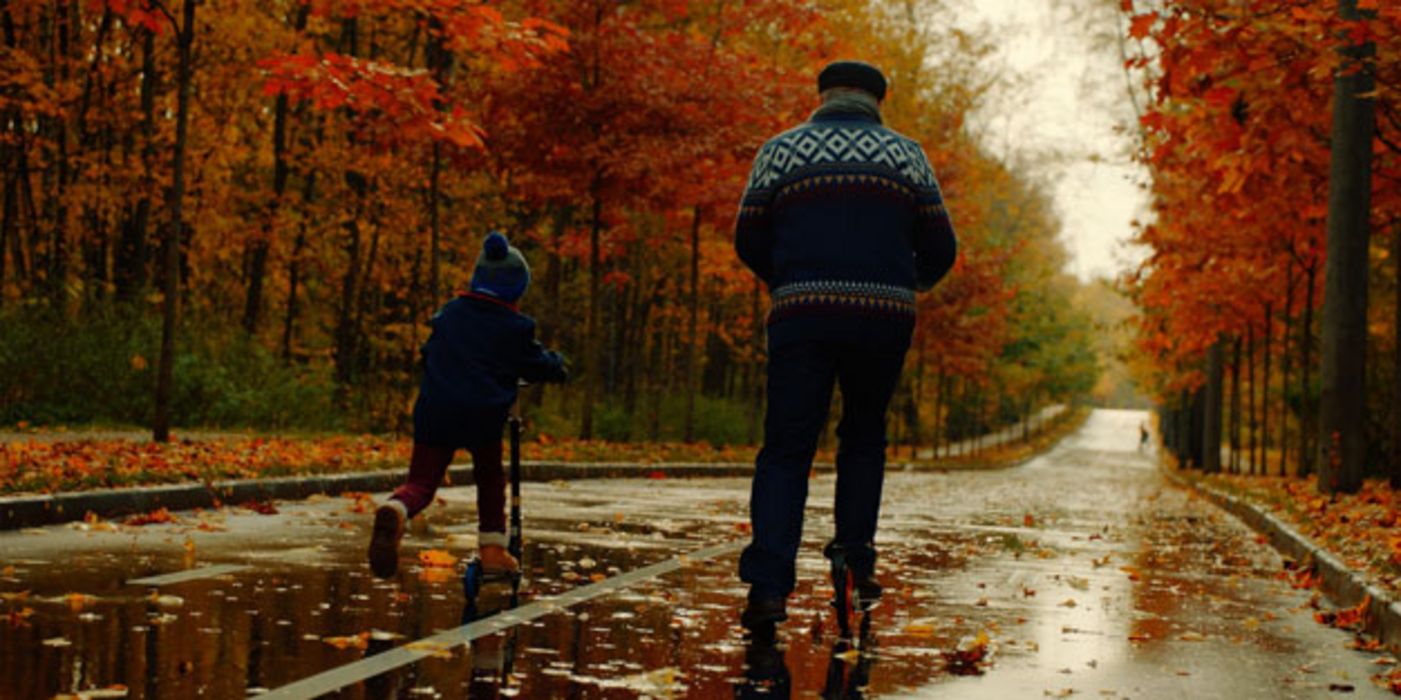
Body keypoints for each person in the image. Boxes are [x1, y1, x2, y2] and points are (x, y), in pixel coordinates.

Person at [733, 60, 958, 630]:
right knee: (863, 437)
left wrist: (788, 281)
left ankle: (768, 586)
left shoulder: (779, 153)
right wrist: (909, 283)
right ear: (878, 101)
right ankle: (854, 562)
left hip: (800, 316)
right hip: (883, 318)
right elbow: (942, 246)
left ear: (823, 96)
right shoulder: (907, 157)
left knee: (786, 447)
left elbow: (748, 236)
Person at [368, 231, 568, 579]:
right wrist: (557, 366)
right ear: (515, 291)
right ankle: (492, 551)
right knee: (490, 478)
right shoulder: (515, 327)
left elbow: (427, 354)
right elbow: (535, 363)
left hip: (436, 409)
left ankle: (396, 509)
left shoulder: (449, 315)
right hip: (481, 416)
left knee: (422, 483)